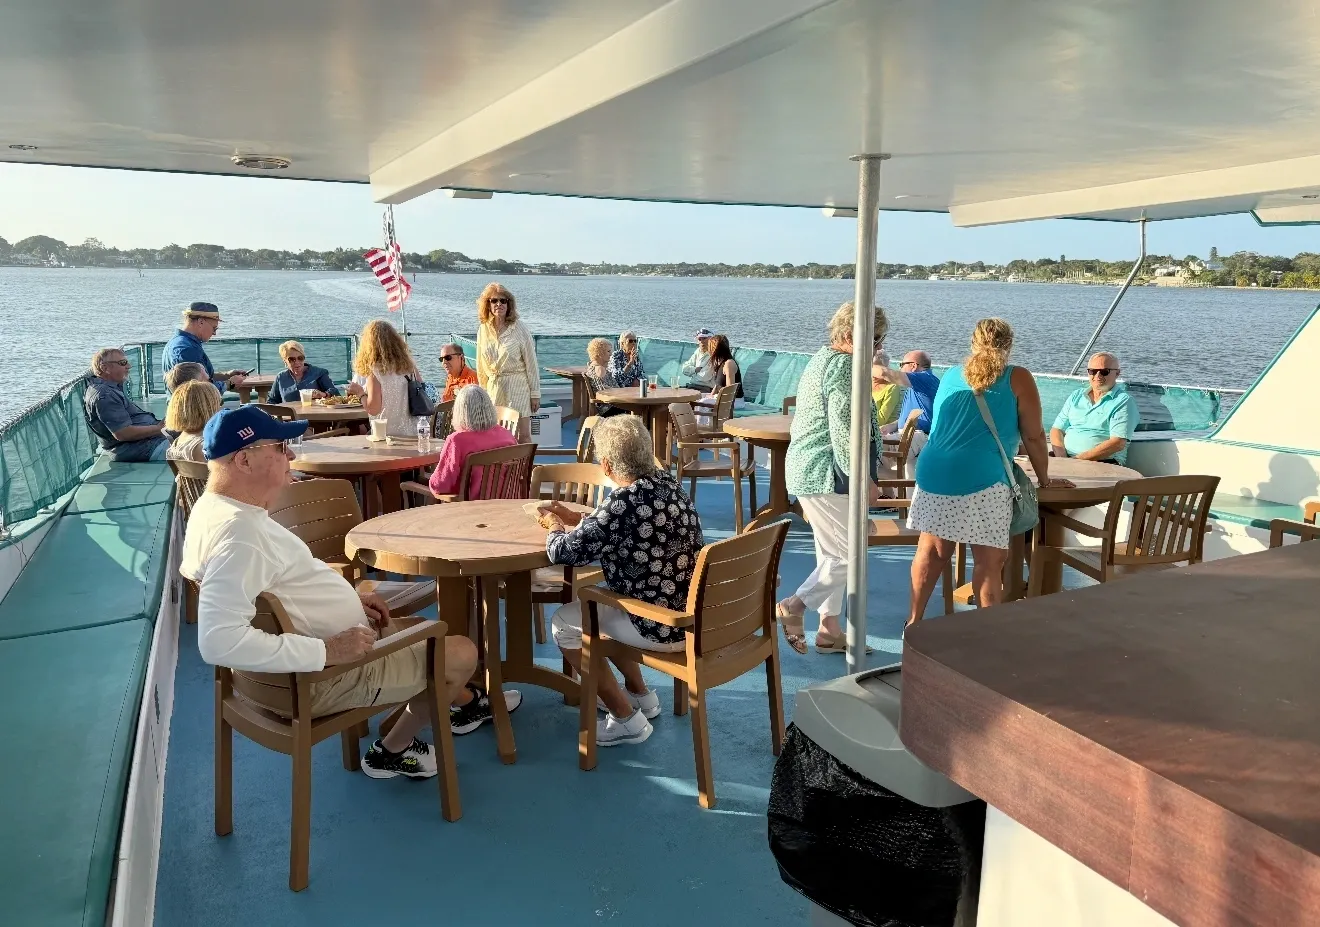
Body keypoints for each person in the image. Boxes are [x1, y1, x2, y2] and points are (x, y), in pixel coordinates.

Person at [182, 406, 514, 766]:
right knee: (461, 652)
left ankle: (463, 702)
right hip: (325, 677)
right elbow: (218, 642)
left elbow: (279, 584)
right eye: (280, 447)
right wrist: (326, 651)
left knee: (423, 631)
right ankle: (392, 749)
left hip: (320, 655)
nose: (291, 454)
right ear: (244, 460)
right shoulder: (240, 536)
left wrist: (351, 601)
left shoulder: (214, 509)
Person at [537, 415, 704, 746]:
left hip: (659, 625)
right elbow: (620, 527)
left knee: (565, 623)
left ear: (607, 464)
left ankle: (626, 718)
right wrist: (581, 519)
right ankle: (641, 695)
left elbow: (563, 553)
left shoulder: (622, 502)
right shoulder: (669, 484)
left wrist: (555, 524)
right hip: (691, 617)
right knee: (602, 612)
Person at [907, 319, 1073, 624]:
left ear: (973, 343)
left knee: (931, 553)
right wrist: (1045, 479)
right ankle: (987, 635)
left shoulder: (952, 375)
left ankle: (913, 623)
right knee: (989, 561)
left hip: (932, 472)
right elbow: (1034, 436)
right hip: (983, 478)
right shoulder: (1017, 377)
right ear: (1008, 346)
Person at [776, 302, 901, 654]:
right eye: (875, 339)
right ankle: (794, 606)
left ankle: (829, 629)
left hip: (813, 471)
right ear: (850, 336)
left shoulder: (823, 359)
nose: (879, 347)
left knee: (832, 553)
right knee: (850, 555)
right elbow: (846, 432)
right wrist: (866, 481)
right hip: (825, 473)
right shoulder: (845, 367)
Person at [475, 283, 540, 443]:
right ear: (487, 304)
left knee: (522, 435)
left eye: (503, 301)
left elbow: (531, 364)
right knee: (495, 435)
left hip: (518, 386)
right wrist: (483, 393)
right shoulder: (483, 330)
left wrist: (535, 394)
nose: (499, 304)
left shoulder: (520, 329)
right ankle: (502, 467)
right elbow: (481, 366)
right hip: (494, 388)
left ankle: (524, 468)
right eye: (494, 300)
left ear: (509, 304)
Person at [427, 385, 518, 499]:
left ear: (460, 411)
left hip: (471, 508)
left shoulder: (457, 441)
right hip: (507, 504)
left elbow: (440, 486)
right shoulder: (507, 435)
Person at [1049, 352, 1138, 465]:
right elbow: (1057, 430)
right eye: (1093, 371)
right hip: (1066, 459)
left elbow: (1118, 443)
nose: (1097, 376)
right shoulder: (1076, 396)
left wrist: (1075, 461)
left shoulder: (1123, 401)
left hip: (1104, 462)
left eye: (1104, 372)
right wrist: (1062, 459)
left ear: (1117, 373)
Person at [84, 348, 169, 462]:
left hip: (148, 441)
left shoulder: (110, 388)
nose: (128, 366)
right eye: (123, 363)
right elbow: (123, 433)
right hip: (141, 448)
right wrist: (159, 429)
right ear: (104, 368)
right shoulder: (104, 396)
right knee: (196, 449)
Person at [345, 320, 423, 438]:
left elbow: (373, 409)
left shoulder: (376, 373)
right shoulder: (410, 368)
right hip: (413, 432)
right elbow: (421, 391)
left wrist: (360, 393)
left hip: (386, 435)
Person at [162, 302, 247, 393]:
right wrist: (229, 384)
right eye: (214, 328)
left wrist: (226, 375)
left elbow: (200, 376)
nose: (214, 333)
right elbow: (198, 390)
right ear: (201, 322)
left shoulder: (179, 343)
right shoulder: (186, 349)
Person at [165, 379, 222, 462]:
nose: (220, 408)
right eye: (219, 403)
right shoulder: (206, 447)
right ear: (208, 409)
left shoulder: (178, 441)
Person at [267, 341, 340, 404]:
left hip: (315, 418)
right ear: (285, 361)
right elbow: (272, 401)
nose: (297, 362)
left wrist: (323, 394)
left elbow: (336, 394)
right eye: (291, 359)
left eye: (300, 358)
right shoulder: (281, 377)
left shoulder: (319, 373)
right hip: (289, 418)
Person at [584, 337, 624, 417]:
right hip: (611, 408)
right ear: (600, 353)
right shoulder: (600, 369)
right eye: (608, 351)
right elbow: (603, 392)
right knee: (643, 409)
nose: (611, 354)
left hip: (608, 407)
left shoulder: (591, 366)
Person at [872, 348, 902, 428]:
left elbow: (881, 419)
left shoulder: (892, 388)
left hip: (883, 431)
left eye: (877, 369)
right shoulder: (865, 384)